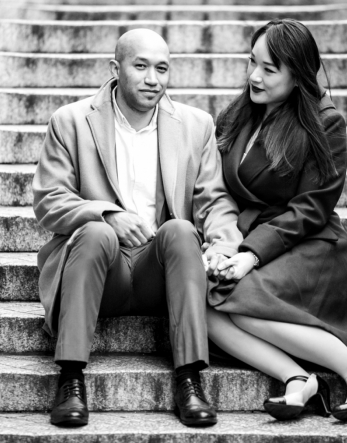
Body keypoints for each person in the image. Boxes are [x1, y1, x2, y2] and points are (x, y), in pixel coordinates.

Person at [33, 29, 242, 428]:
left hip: (158, 273)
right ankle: (71, 379)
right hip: (97, 270)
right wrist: (107, 214)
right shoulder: (71, 121)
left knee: (181, 230)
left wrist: (221, 246)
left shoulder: (196, 126)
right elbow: (48, 201)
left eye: (161, 68)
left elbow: (214, 202)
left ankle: (190, 379)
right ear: (116, 68)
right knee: (95, 232)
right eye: (141, 66)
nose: (152, 79)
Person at [206, 19, 347, 422]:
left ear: (297, 74)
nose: (254, 76)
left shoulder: (325, 121)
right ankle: (297, 378)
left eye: (269, 69)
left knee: (235, 302)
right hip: (248, 238)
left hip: (306, 244)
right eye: (251, 62)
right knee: (197, 300)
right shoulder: (238, 114)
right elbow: (218, 189)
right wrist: (221, 244)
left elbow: (313, 207)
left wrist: (251, 255)